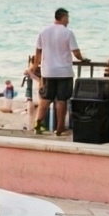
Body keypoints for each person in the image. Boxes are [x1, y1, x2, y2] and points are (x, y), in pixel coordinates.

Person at [34, 8, 85, 136]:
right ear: (63, 17)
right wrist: (83, 59)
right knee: (62, 100)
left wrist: (35, 66)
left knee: (45, 99)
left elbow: (38, 51)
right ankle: (60, 128)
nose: (68, 21)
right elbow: (75, 51)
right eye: (67, 18)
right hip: (64, 72)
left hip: (48, 71)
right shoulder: (68, 32)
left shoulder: (44, 31)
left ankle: (38, 126)